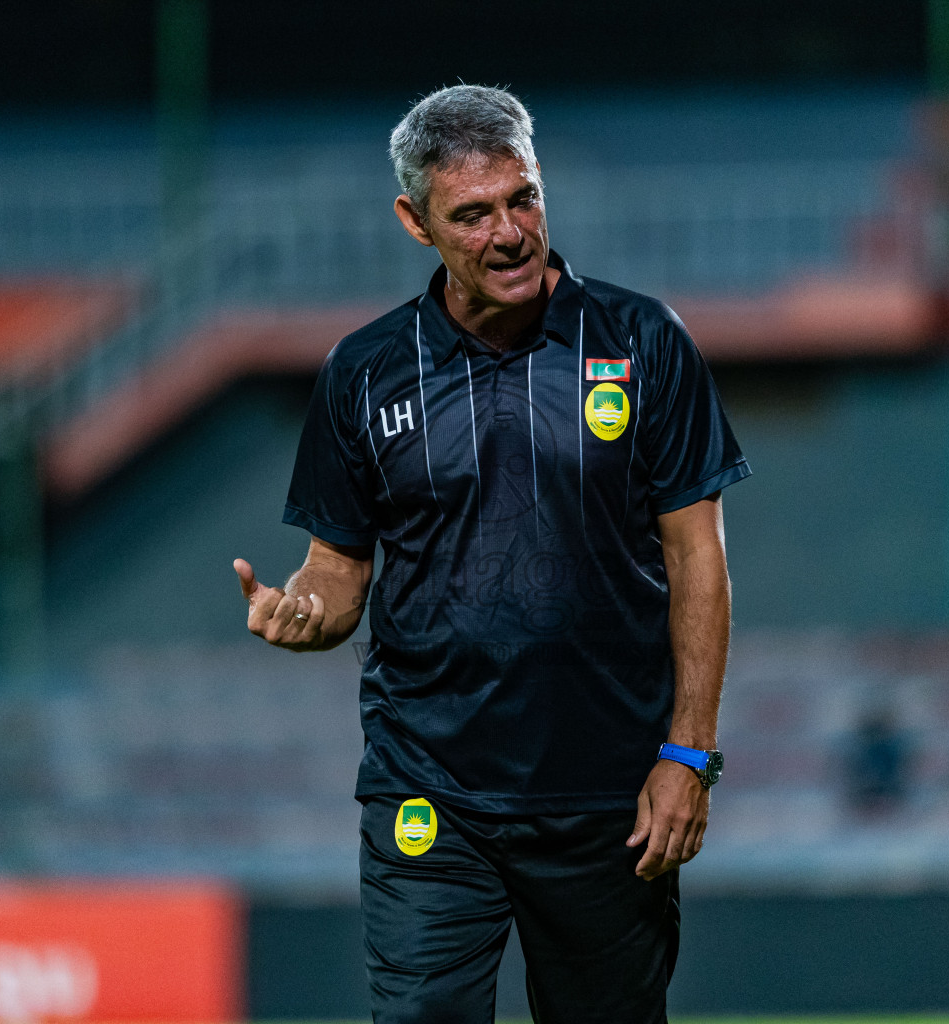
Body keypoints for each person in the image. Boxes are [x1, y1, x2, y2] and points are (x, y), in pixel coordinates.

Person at [233, 84, 750, 1024]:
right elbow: (339, 570)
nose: (510, 233)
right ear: (416, 223)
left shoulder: (642, 342)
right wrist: (305, 609)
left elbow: (698, 560)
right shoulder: (365, 371)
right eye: (472, 214)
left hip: (608, 796)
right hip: (428, 789)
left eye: (524, 199)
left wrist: (689, 754)